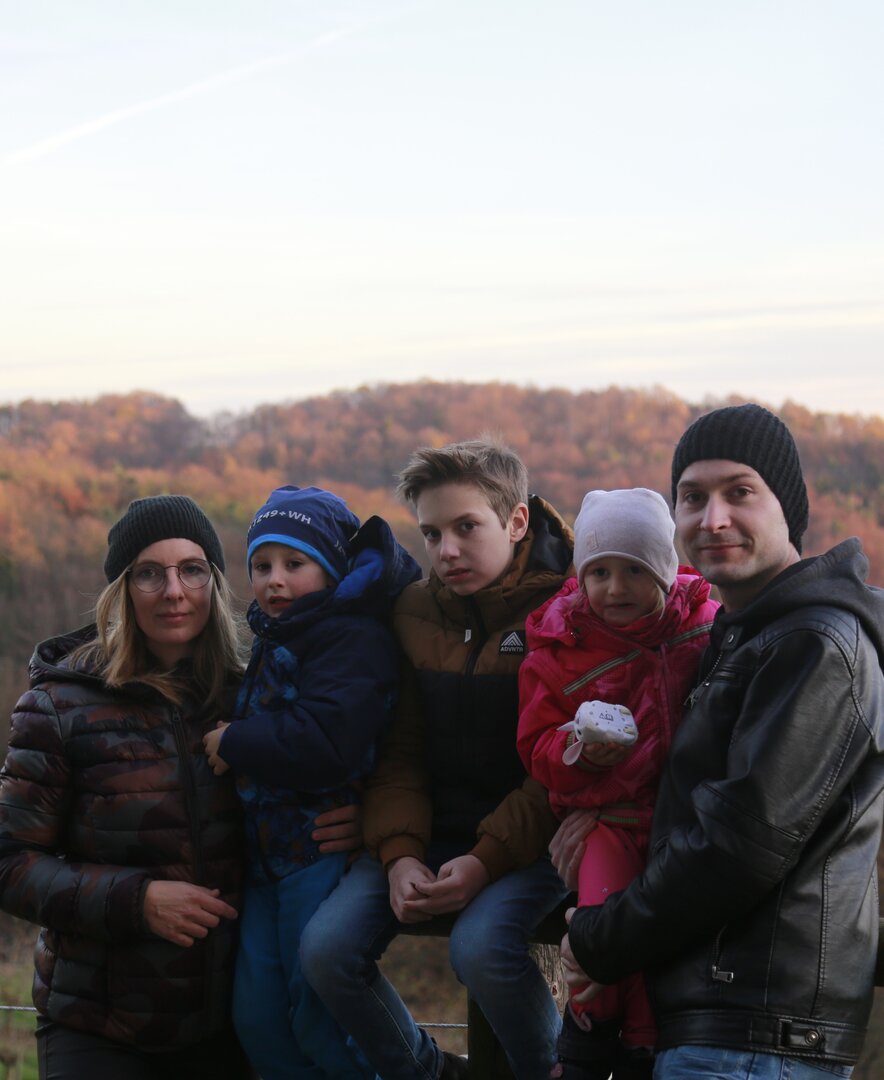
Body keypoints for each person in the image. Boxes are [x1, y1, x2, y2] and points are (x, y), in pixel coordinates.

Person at [562, 403, 884, 1079]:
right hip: (729, 1024)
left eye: (740, 492)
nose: (712, 519)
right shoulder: (746, 638)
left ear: (785, 507)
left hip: (756, 1035)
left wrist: (598, 937)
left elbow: (738, 847)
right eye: (692, 497)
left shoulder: (813, 644)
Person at [301, 438, 574, 1080]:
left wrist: (484, 862)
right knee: (326, 950)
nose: (446, 551)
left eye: (465, 527)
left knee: (480, 949)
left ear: (515, 523)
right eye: (430, 533)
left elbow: (560, 772)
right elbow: (400, 752)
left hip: (536, 844)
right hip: (427, 837)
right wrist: (397, 856)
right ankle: (430, 1074)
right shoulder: (414, 612)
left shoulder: (567, 613)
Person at [0, 495, 249, 1079]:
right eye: (148, 573)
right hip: (97, 1024)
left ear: (213, 581)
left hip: (229, 1020)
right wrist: (137, 902)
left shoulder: (254, 697)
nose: (173, 590)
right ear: (121, 589)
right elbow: (9, 862)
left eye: (191, 569)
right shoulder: (59, 706)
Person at [202, 485, 420, 1080]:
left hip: (319, 853)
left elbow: (327, 743)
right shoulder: (279, 636)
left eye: (295, 564)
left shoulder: (353, 638)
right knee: (258, 1020)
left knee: (319, 1021)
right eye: (262, 565)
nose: (275, 580)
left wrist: (235, 743)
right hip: (267, 860)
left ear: (331, 569)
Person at [518, 488, 718, 1080]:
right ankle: (585, 1047)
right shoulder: (562, 650)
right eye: (599, 572)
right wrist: (583, 752)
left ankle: (641, 1051)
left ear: (663, 569)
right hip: (606, 823)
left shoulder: (703, 629)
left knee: (662, 947)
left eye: (634, 570)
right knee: (598, 938)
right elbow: (536, 745)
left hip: (678, 826)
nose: (615, 588)